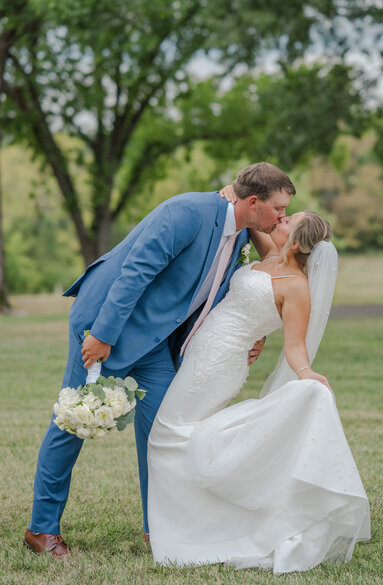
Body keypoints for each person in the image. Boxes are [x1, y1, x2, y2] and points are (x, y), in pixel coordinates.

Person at [24, 162, 296, 558]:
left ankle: (161, 529)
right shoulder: (185, 212)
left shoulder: (238, 235)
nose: (282, 217)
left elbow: (208, 296)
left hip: (154, 343)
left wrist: (249, 339)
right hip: (104, 325)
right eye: (279, 210)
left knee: (163, 433)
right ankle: (42, 529)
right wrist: (102, 336)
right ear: (253, 202)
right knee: (72, 422)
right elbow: (135, 273)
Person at [147, 199, 370, 573]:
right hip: (202, 350)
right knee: (176, 437)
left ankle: (191, 535)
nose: (279, 220)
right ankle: (192, 528)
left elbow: (296, 346)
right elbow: (250, 216)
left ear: (297, 244)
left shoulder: (297, 286)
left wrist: (306, 375)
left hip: (221, 363)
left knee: (167, 437)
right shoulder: (270, 253)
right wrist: (239, 193)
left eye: (287, 221)